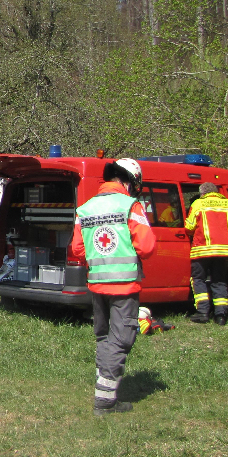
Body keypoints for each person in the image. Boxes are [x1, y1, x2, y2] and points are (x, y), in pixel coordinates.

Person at [69, 158, 156, 415]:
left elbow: (77, 250)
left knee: (104, 338)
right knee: (120, 339)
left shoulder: (85, 208)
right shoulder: (130, 206)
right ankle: (105, 402)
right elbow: (147, 247)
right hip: (124, 286)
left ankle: (104, 388)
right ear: (129, 182)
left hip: (97, 285)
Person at [185, 182, 228, 325]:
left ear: (202, 193)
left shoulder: (198, 204)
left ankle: (203, 312)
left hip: (203, 249)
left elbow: (189, 226)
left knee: (198, 279)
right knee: (219, 280)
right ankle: (221, 315)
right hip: (224, 250)